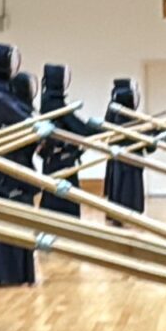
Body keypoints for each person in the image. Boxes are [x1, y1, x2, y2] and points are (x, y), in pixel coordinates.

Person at [0, 45, 37, 286]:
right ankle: (5, 273)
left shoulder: (3, 89)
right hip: (3, 167)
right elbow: (19, 117)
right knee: (6, 218)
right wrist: (35, 124)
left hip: (13, 163)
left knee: (17, 217)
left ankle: (14, 272)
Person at [36, 63, 101, 217]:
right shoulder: (55, 104)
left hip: (55, 161)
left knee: (54, 198)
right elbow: (80, 129)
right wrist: (98, 129)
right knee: (63, 202)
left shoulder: (48, 100)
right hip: (60, 162)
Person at [103, 78, 149, 215]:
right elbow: (149, 145)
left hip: (119, 160)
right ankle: (127, 214)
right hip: (129, 162)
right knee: (127, 191)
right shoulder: (130, 121)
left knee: (118, 188)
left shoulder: (116, 115)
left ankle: (117, 214)